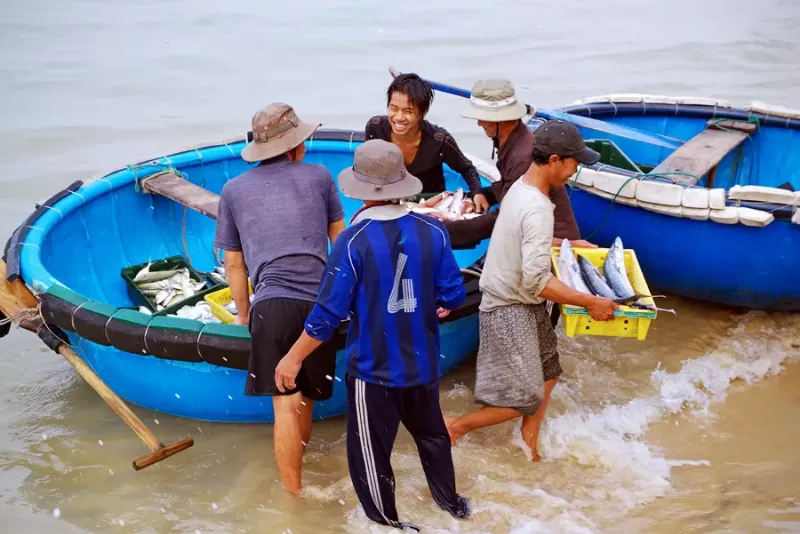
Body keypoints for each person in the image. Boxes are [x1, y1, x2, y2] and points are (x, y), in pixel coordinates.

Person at [274, 139, 471, 531]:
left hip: (373, 370)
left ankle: (387, 523)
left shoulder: (352, 242)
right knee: (432, 437)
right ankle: (453, 506)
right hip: (424, 363)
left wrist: (293, 357)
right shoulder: (433, 231)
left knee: (370, 454)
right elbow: (452, 293)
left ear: (361, 192)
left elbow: (327, 315)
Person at [445, 120, 618, 461]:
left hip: (518, 297)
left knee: (549, 375)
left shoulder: (523, 187)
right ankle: (455, 426)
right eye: (574, 162)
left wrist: (567, 241)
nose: (575, 171)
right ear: (554, 160)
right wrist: (591, 301)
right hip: (509, 304)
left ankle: (528, 445)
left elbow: (519, 234)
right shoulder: (537, 206)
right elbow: (536, 281)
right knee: (522, 398)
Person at [213, 103, 346, 495]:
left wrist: (243, 315)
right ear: (294, 146)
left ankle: (294, 497)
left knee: (285, 403)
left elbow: (234, 263)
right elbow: (339, 241)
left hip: (270, 305)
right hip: (321, 305)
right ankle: (301, 477)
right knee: (304, 398)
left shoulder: (233, 189)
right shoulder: (320, 176)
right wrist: (346, 295)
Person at [365, 72, 490, 212]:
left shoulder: (439, 141)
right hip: (389, 203)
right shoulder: (375, 128)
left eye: (408, 111)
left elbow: (467, 169)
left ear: (423, 112)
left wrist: (478, 192)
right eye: (393, 108)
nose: (399, 117)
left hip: (430, 206)